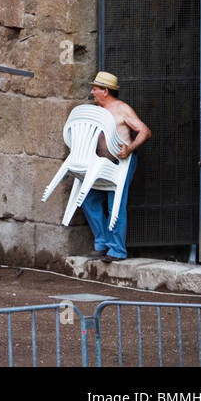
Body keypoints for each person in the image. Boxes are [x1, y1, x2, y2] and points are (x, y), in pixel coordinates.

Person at [80, 71, 152, 263]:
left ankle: (117, 250)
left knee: (116, 205)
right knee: (87, 199)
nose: (92, 92)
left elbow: (145, 131)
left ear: (106, 91)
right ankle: (102, 241)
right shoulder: (97, 110)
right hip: (100, 165)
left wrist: (129, 148)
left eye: (95, 88)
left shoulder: (121, 109)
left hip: (121, 164)